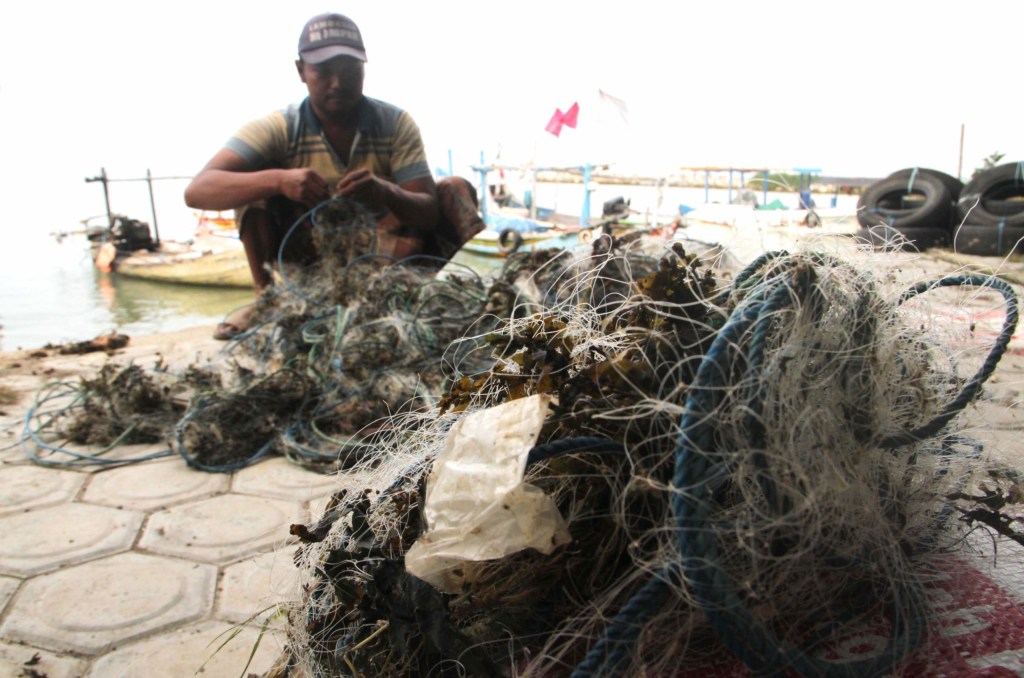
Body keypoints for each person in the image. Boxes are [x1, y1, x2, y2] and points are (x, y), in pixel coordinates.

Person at [184, 12, 483, 340]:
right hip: (312, 257)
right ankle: (264, 298)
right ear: (301, 71)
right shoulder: (281, 127)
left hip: (388, 258)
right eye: (324, 70)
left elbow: (428, 212)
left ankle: (463, 289)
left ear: (364, 69)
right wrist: (280, 180)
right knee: (251, 186)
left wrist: (385, 191)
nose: (338, 82)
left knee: (455, 188)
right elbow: (197, 191)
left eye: (350, 70)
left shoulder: (395, 124)